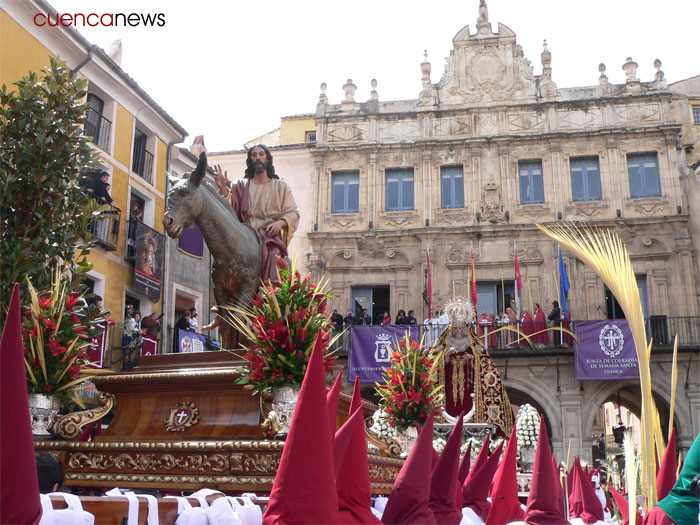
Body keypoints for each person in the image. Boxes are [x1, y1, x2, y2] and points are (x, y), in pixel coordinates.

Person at [214, 144, 300, 283]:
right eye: (254, 155)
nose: (257, 158)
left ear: (267, 159)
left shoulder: (280, 186)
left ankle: (271, 291)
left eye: (261, 154)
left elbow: (293, 213)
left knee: (274, 254)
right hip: (245, 232)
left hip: (269, 234)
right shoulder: (240, 185)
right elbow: (229, 209)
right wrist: (223, 188)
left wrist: (280, 222)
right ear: (250, 160)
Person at [433, 297, 514, 436]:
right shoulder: (444, 344)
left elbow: (485, 362)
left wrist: (472, 359)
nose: (458, 331)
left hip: (468, 387)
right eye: (456, 328)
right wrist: (445, 357)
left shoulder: (474, 344)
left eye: (460, 328)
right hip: (448, 386)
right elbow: (433, 363)